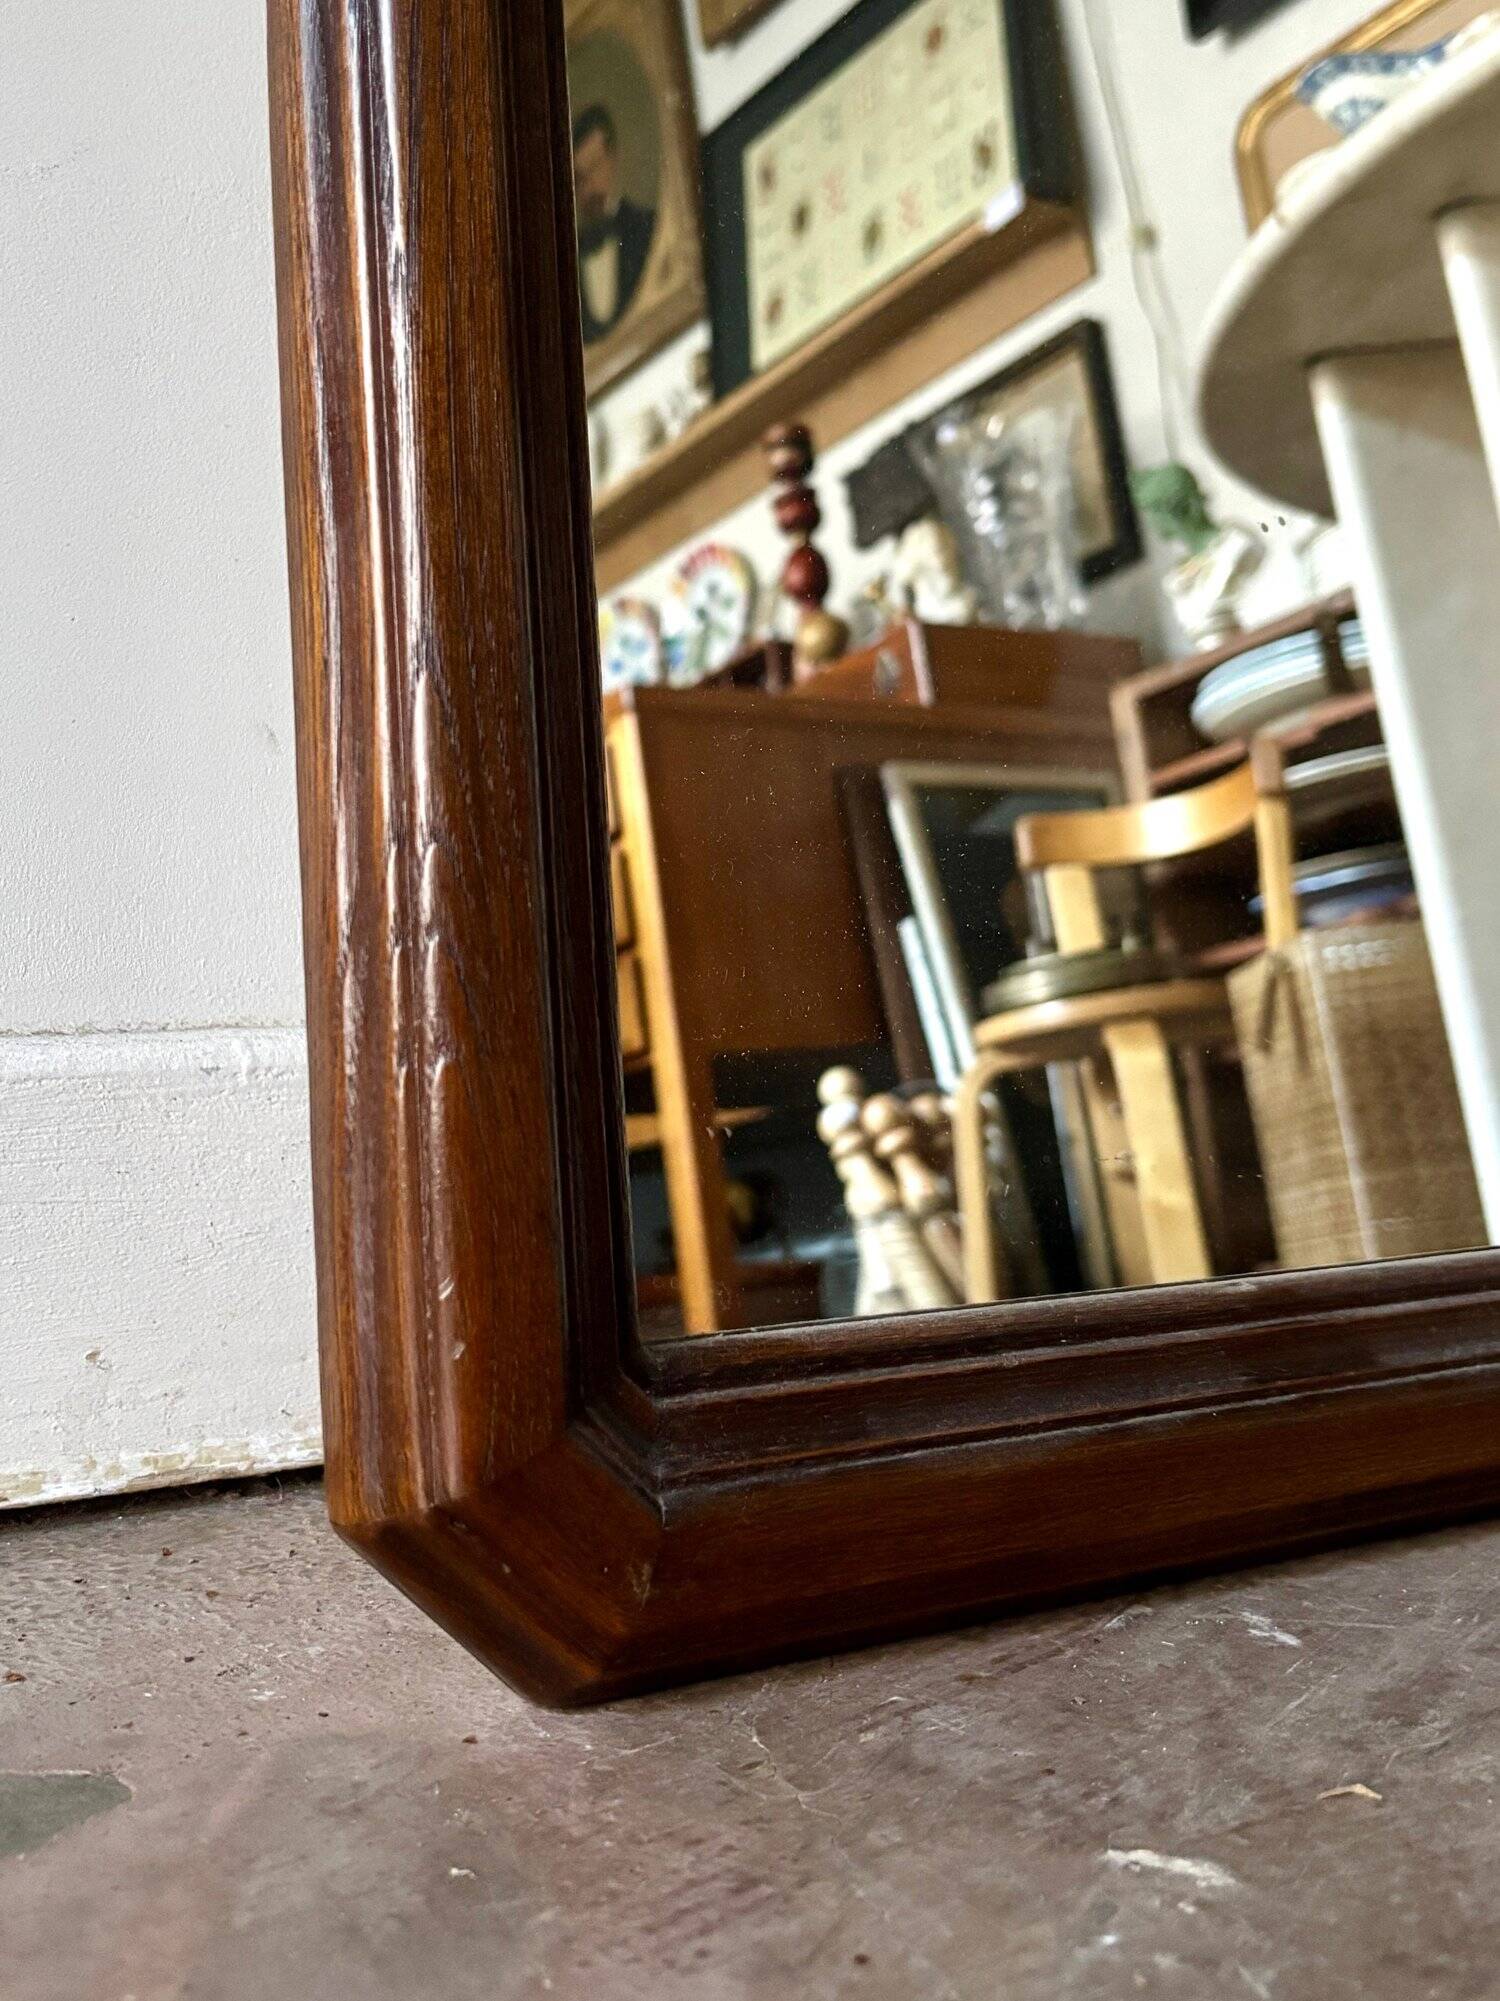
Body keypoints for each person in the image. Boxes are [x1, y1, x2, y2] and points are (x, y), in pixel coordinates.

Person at [572, 102, 657, 344]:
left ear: (612, 159)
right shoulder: (567, 265)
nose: (589, 188)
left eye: (595, 167)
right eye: (580, 178)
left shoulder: (647, 227)